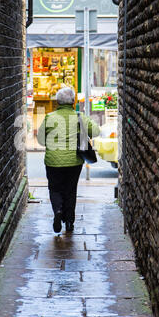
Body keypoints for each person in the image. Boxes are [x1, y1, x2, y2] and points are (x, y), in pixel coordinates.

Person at [37, 87, 100, 234]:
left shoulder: (49, 117)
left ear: (58, 101)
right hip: (74, 162)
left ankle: (58, 211)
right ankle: (69, 222)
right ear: (73, 101)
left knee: (55, 188)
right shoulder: (79, 117)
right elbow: (96, 131)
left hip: (53, 162)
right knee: (70, 190)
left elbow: (40, 140)